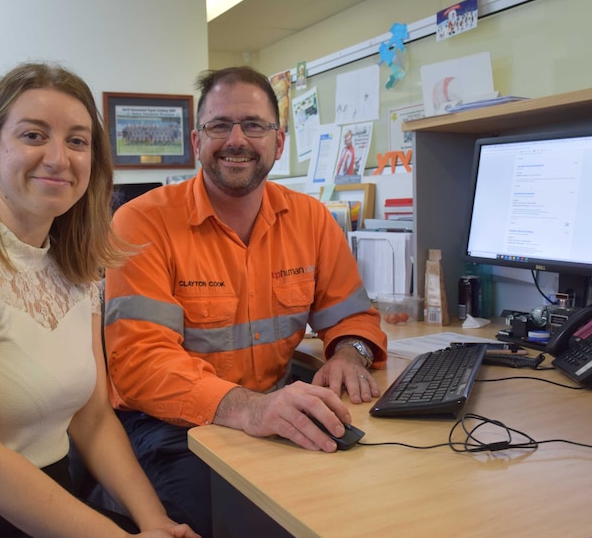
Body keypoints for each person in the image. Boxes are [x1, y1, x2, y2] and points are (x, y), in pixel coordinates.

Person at [0, 62, 199, 538]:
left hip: (55, 505)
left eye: (77, 141)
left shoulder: (77, 267)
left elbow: (92, 419)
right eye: (33, 135)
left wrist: (155, 522)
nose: (58, 158)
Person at [100, 66, 388, 537]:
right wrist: (250, 409)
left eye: (254, 125)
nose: (237, 140)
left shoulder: (312, 219)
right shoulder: (141, 223)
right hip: (170, 427)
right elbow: (141, 364)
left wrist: (349, 352)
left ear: (279, 140)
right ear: (197, 142)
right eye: (219, 126)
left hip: (268, 409)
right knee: (240, 523)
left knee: (352, 498)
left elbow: (352, 313)